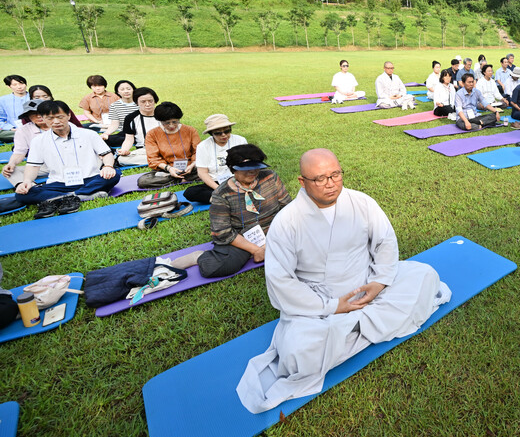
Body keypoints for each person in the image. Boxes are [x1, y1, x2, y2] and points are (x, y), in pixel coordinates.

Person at [235, 148, 451, 413]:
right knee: (297, 353)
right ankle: (356, 327)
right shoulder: (287, 222)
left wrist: (379, 282)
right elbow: (281, 281)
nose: (331, 183)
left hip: (366, 284)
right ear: (302, 182)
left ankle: (352, 330)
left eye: (336, 174)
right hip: (319, 303)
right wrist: (333, 306)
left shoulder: (361, 202)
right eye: (320, 178)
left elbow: (385, 242)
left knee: (424, 274)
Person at [171, 144, 292, 278]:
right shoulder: (221, 194)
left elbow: (287, 207)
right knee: (215, 267)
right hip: (244, 237)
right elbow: (222, 232)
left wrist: (277, 235)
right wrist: (256, 250)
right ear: (232, 168)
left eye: (256, 166)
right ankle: (200, 256)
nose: (252, 171)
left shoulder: (270, 177)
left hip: (275, 230)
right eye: (246, 168)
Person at [14, 100, 120, 213]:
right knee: (21, 195)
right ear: (43, 119)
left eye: (60, 117)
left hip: (90, 179)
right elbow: (33, 166)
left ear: (69, 115)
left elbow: (106, 154)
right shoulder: (38, 141)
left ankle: (62, 197)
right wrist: (27, 181)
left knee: (115, 174)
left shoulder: (88, 134)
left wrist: (108, 166)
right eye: (50, 118)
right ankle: (80, 195)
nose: (56, 121)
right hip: (60, 183)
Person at [184, 114, 248, 205]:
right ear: (211, 133)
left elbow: (247, 164)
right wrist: (219, 189)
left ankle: (224, 198)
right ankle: (228, 197)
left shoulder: (240, 140)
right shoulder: (203, 146)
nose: (224, 135)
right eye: (218, 133)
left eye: (227, 131)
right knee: (190, 192)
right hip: (215, 182)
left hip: (238, 179)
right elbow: (202, 173)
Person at [136, 101, 200, 189]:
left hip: (190, 168)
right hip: (166, 169)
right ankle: (180, 178)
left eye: (175, 122)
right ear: (160, 121)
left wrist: (192, 165)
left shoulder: (190, 130)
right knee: (143, 181)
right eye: (166, 123)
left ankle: (179, 178)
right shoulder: (152, 134)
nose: (171, 125)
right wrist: (169, 169)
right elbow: (153, 158)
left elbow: (198, 151)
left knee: (208, 169)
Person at [2, 100, 52, 187]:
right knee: (10, 171)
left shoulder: (60, 125)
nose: (38, 116)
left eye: (41, 112)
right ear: (28, 116)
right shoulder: (23, 130)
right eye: (33, 114)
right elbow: (19, 152)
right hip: (41, 166)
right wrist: (11, 164)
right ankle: (31, 188)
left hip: (67, 163)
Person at [117, 87, 160, 167]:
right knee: (121, 159)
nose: (147, 104)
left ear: (155, 100)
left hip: (164, 148)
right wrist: (124, 150)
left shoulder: (163, 114)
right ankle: (159, 160)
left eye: (150, 101)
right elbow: (129, 139)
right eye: (143, 102)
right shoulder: (130, 118)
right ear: (137, 102)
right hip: (143, 150)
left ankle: (157, 159)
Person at [101, 79, 136, 148]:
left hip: (139, 132)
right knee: (102, 140)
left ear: (133, 90)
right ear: (118, 92)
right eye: (122, 89)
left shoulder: (140, 103)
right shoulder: (114, 105)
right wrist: (106, 133)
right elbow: (114, 124)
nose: (126, 91)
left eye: (128, 89)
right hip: (124, 133)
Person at [0, 74, 29, 143]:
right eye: (15, 85)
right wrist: (12, 128)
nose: (19, 87)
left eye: (21, 83)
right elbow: (1, 119)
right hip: (13, 130)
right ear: (9, 86)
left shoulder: (33, 97)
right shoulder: (3, 100)